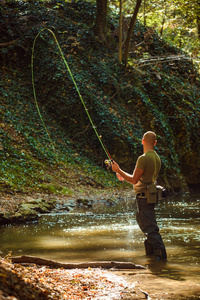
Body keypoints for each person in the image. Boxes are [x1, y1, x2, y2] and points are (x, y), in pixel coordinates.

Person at [111, 131, 167, 260]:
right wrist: (123, 175)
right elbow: (142, 178)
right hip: (149, 196)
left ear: (142, 141)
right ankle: (153, 261)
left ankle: (161, 261)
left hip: (143, 198)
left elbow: (134, 180)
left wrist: (118, 170)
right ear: (155, 143)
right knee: (148, 229)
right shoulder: (156, 157)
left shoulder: (143, 158)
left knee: (150, 229)